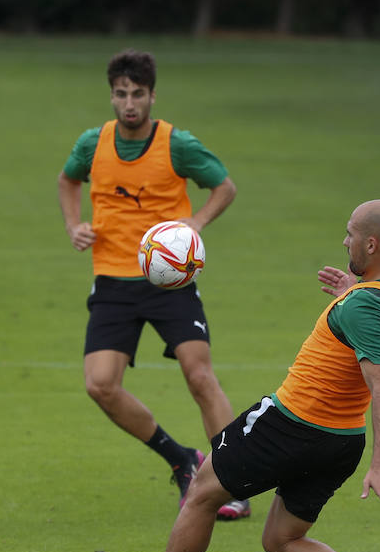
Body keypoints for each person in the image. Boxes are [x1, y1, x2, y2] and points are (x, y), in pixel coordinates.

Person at [98, 199, 380, 552]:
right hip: (341, 442)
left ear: (371, 244)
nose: (344, 239)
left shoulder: (361, 307)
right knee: (281, 541)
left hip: (289, 424)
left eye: (351, 233)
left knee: (201, 492)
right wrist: (352, 291)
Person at [56, 49, 248, 520]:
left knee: (199, 375)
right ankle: (182, 459)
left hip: (170, 282)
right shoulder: (92, 143)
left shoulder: (177, 144)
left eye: (137, 94)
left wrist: (196, 222)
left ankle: (234, 481)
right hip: (112, 281)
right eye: (120, 94)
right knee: (100, 385)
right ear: (112, 95)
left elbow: (224, 186)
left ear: (152, 95)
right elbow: (67, 180)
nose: (128, 104)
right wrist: (73, 224)